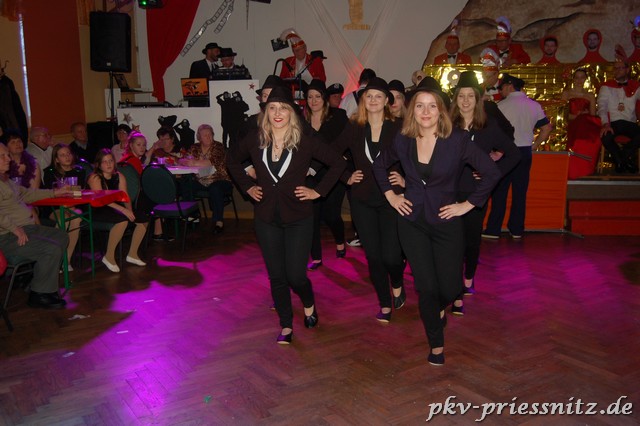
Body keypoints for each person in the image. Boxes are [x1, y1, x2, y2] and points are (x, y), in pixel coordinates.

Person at [372, 84, 500, 366]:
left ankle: (439, 307)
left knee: (451, 287)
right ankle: (436, 343)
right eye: (420, 105)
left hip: (446, 221)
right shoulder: (403, 139)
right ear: (412, 111)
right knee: (427, 287)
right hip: (412, 221)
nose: (426, 111)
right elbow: (379, 165)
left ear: (441, 111)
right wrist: (392, 196)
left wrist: (468, 204)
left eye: (432, 105)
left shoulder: (458, 140)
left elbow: (491, 172)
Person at [227, 86, 345, 344]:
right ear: (266, 111)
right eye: (272, 108)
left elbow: (338, 163)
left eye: (283, 108)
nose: (278, 113)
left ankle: (308, 302)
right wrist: (247, 187)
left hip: (298, 217)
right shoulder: (256, 138)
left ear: (292, 112)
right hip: (266, 218)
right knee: (277, 276)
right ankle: (286, 324)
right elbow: (231, 160)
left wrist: (318, 192)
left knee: (296, 276)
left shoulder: (305, 139)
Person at [333, 77, 406, 324]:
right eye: (369, 96)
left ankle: (397, 282)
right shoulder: (354, 126)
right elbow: (332, 153)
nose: (373, 100)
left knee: (392, 256)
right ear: (363, 100)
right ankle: (384, 302)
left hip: (391, 199)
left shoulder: (398, 127)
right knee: (374, 256)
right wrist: (346, 176)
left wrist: (406, 179)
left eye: (378, 96)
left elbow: (416, 156)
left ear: (386, 101)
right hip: (362, 200)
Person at [448, 71, 521, 315]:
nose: (466, 101)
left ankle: (469, 277)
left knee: (471, 241)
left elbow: (514, 154)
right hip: (448, 192)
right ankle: (456, 292)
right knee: (453, 242)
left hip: (476, 193)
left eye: (470, 96)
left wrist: (493, 171)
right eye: (461, 96)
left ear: (478, 99)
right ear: (456, 99)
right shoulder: (446, 125)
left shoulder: (488, 127)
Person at [0, 142, 70, 309]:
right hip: (7, 236)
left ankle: (37, 281)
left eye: (7, 154)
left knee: (61, 236)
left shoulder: (5, 179)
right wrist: (15, 229)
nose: (8, 158)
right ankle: (39, 295)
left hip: (26, 228)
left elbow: (26, 194)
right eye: (2, 156)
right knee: (51, 249)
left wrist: (54, 193)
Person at [483, 74, 553, 239]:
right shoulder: (534, 105)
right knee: (520, 192)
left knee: (500, 191)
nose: (501, 91)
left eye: (502, 88)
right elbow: (546, 128)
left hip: (505, 152)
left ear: (509, 86)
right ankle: (516, 229)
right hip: (525, 151)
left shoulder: (501, 106)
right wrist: (535, 145)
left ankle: (493, 229)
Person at [303, 79, 349, 270]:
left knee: (331, 215)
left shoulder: (338, 116)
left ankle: (340, 241)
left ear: (324, 98)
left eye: (317, 96)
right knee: (311, 216)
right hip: (309, 174)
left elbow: (338, 146)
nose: (314, 100)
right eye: (310, 97)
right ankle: (316, 257)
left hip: (333, 173)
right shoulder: (301, 121)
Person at [87, 149, 148, 273]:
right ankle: (109, 256)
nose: (109, 164)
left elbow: (125, 197)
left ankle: (132, 254)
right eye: (105, 162)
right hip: (98, 208)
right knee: (122, 220)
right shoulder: (94, 177)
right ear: (99, 165)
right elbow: (101, 199)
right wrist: (123, 211)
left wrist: (129, 211)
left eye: (110, 161)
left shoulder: (119, 176)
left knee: (143, 218)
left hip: (115, 207)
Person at [180, 124, 233, 234]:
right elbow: (183, 160)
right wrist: (188, 162)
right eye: (205, 135)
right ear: (199, 137)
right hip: (201, 179)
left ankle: (218, 221)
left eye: (210, 134)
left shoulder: (218, 146)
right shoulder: (194, 147)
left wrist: (194, 162)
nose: (208, 137)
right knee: (186, 184)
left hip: (220, 178)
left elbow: (211, 162)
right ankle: (193, 215)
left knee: (215, 188)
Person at [41, 143, 86, 269]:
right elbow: (51, 194)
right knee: (64, 219)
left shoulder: (79, 171)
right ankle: (55, 258)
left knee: (76, 217)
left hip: (74, 206)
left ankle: (67, 260)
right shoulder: (50, 172)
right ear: (56, 159)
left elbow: (80, 193)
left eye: (68, 154)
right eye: (62, 155)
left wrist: (71, 195)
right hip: (55, 207)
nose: (67, 157)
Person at [597, 60, 640, 173]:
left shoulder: (636, 87)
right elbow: (602, 107)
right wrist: (605, 124)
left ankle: (620, 160)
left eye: (620, 68)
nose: (617, 70)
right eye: (615, 68)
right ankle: (625, 161)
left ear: (627, 70)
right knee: (605, 137)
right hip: (613, 123)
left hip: (630, 123)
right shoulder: (606, 87)